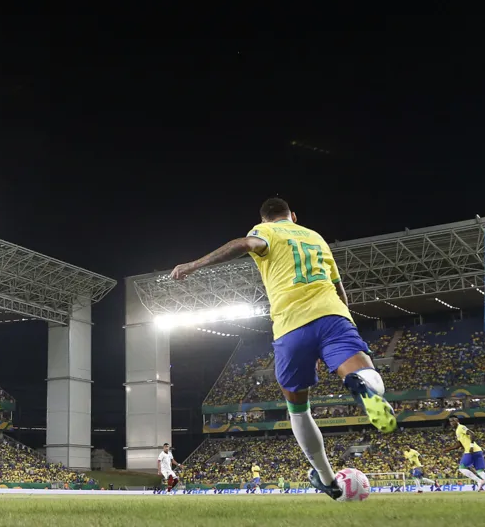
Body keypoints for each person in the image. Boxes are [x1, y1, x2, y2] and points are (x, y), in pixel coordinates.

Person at [170, 197, 397, 499]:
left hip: (291, 324)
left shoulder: (266, 232)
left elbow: (244, 244)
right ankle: (363, 384)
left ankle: (328, 480)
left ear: (265, 220)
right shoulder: (316, 237)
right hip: (333, 315)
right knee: (363, 368)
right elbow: (342, 293)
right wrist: (343, 327)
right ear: (293, 215)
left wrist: (194, 264)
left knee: (298, 409)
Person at [448, 416, 485, 491]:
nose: (451, 423)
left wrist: (471, 446)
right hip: (478, 451)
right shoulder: (457, 431)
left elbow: (472, 434)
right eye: (450, 421)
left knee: (462, 468)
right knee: (480, 471)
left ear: (457, 420)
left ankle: (479, 481)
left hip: (470, 451)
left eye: (453, 421)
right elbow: (459, 445)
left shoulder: (461, 427)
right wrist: (448, 449)